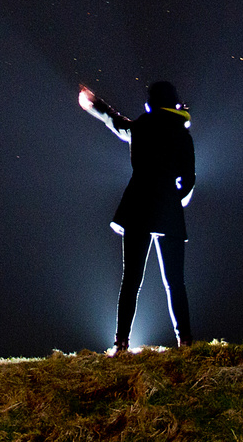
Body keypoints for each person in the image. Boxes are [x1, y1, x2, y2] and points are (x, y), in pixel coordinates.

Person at [78, 79, 195, 353]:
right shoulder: (182, 135)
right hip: (168, 212)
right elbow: (188, 180)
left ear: (150, 104)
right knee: (175, 282)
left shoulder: (140, 128)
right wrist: (173, 200)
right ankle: (185, 342)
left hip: (138, 207)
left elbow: (113, 119)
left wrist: (93, 103)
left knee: (131, 279)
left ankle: (121, 343)